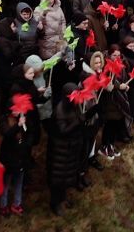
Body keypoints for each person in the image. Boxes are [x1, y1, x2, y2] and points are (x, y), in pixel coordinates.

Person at [47, 83, 85, 216]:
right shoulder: (60, 110)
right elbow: (62, 131)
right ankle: (55, 203)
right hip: (60, 151)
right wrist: (77, 122)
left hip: (70, 148)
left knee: (66, 177)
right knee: (58, 180)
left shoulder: (73, 106)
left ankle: (62, 198)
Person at [0, 107, 33, 216]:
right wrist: (18, 125)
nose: (18, 111)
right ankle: (3, 205)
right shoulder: (4, 120)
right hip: (9, 159)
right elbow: (7, 135)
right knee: (6, 183)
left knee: (19, 181)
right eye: (15, 109)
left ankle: (17, 204)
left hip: (21, 158)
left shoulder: (24, 118)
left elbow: (29, 133)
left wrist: (27, 142)